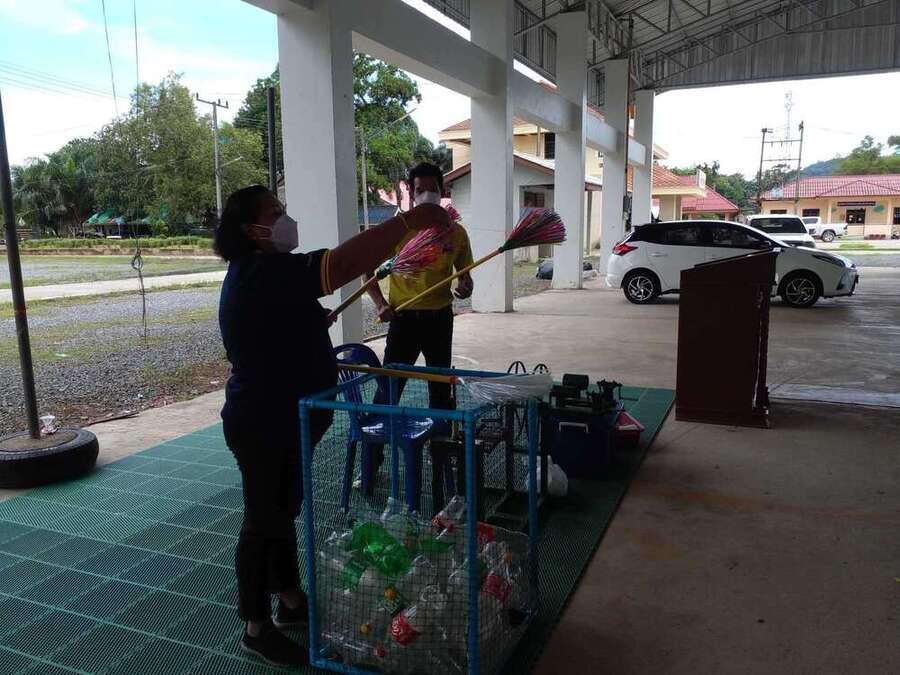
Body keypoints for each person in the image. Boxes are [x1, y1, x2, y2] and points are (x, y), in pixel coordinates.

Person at [215, 185, 450, 668]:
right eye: (274, 213)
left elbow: (279, 326)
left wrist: (305, 324)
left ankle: (290, 598)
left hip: (287, 418)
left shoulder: (269, 273)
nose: (285, 220)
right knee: (263, 519)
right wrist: (409, 222)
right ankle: (255, 627)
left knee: (282, 509)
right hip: (261, 420)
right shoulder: (260, 270)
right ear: (250, 230)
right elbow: (340, 265)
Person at [366, 162, 474, 413]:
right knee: (389, 387)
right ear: (412, 194)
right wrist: (381, 304)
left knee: (440, 388)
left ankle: (441, 435)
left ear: (442, 191)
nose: (427, 195)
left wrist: (465, 286)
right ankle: (377, 434)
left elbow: (465, 276)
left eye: (432, 189)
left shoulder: (455, 233)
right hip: (404, 318)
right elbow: (367, 269)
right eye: (420, 190)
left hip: (440, 319)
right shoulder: (397, 230)